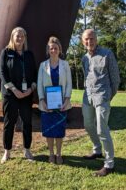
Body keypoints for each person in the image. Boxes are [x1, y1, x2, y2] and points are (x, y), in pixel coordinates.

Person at [81, 29, 120, 176]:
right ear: (83, 41)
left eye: (91, 38)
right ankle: (97, 150)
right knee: (88, 124)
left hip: (102, 96)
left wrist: (108, 96)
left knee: (102, 129)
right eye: (86, 39)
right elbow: (86, 77)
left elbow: (115, 79)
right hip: (88, 96)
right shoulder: (84, 58)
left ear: (96, 39)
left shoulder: (107, 54)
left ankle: (109, 164)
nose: (89, 41)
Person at [0, 27, 37, 163]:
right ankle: (7, 151)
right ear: (12, 37)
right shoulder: (6, 52)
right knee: (9, 123)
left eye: (22, 36)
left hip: (26, 94)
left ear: (25, 38)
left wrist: (31, 89)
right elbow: (2, 73)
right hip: (10, 94)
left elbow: (34, 74)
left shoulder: (29, 55)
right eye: (17, 36)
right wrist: (14, 90)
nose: (20, 38)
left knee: (27, 123)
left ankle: (27, 149)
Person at [37, 36, 72, 165]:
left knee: (59, 130)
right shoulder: (43, 65)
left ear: (59, 50)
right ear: (48, 50)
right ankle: (51, 154)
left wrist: (67, 99)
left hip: (62, 103)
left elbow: (69, 83)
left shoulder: (65, 65)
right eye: (51, 48)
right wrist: (42, 100)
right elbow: (39, 84)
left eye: (55, 48)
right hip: (47, 104)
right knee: (49, 131)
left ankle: (59, 154)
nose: (53, 50)